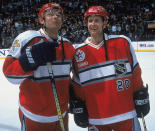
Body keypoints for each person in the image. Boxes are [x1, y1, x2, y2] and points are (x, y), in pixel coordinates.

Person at [69, 6, 150, 131]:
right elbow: (77, 85)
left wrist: (140, 94)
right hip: (95, 118)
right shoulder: (78, 52)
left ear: (104, 23)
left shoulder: (122, 42)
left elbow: (135, 73)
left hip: (126, 114)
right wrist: (78, 105)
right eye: (90, 21)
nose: (93, 24)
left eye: (97, 20)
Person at [3, 3, 75, 131]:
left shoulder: (68, 45)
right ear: (42, 20)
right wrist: (30, 59)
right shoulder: (27, 38)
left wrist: (75, 98)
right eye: (50, 14)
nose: (56, 17)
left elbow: (65, 78)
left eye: (59, 15)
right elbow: (9, 74)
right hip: (34, 116)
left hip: (61, 116)